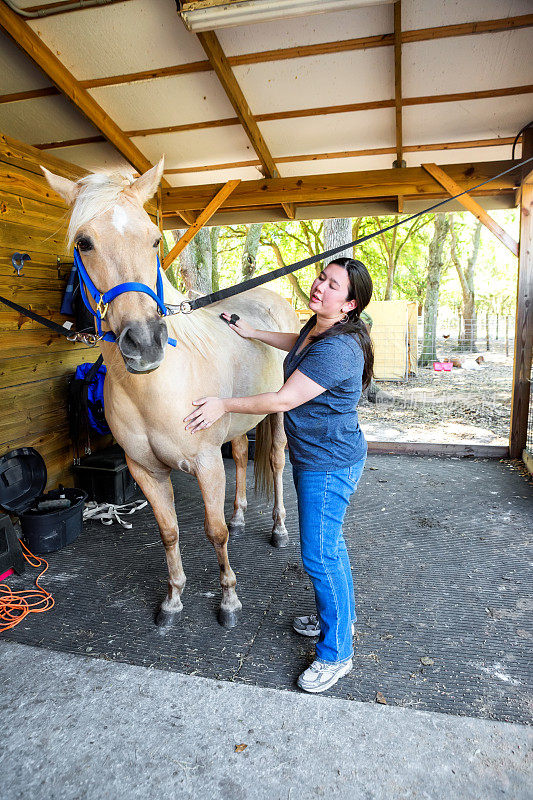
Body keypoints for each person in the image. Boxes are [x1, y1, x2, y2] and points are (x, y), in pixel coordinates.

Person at [184, 257, 374, 693]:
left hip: (330, 464)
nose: (320, 286)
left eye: (333, 286)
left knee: (319, 555)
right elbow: (296, 342)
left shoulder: (340, 348)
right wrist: (252, 332)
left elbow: (283, 399)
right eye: (321, 277)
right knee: (330, 549)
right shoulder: (319, 328)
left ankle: (337, 653)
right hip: (318, 457)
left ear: (349, 304)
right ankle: (339, 620)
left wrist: (223, 404)